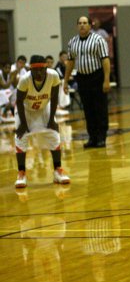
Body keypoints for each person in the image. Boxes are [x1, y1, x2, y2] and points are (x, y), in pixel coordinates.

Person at [14, 54, 70, 189]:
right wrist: (23, 123)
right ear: (30, 70)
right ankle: (21, 173)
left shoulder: (54, 75)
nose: (39, 72)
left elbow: (55, 97)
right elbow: (19, 102)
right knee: (21, 137)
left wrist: (52, 119)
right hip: (26, 110)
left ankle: (58, 170)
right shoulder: (24, 80)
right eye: (35, 70)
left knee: (54, 135)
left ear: (46, 68)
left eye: (42, 69)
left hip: (44, 108)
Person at [63, 16, 110, 149]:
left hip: (97, 77)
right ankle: (92, 138)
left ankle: (101, 137)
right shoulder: (72, 42)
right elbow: (70, 62)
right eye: (80, 23)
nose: (82, 25)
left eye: (85, 23)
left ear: (90, 25)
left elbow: (105, 60)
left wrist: (106, 80)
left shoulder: (98, 40)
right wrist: (65, 81)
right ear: (77, 26)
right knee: (88, 110)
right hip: (82, 78)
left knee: (99, 109)